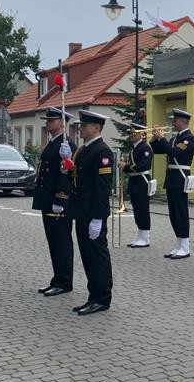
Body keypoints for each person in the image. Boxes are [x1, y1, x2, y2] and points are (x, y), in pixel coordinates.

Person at [69, 110, 114, 315]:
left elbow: (102, 188)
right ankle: (93, 295)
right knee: (87, 255)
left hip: (93, 212)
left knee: (97, 256)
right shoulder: (84, 150)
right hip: (82, 210)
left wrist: (98, 218)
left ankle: (102, 298)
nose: (80, 129)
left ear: (96, 128)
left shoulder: (102, 151)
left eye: (84, 126)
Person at [33, 107, 75, 297]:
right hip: (47, 200)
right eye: (47, 120)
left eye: (52, 120)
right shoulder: (54, 143)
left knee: (61, 242)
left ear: (62, 123)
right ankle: (58, 278)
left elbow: (66, 176)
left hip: (58, 202)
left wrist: (60, 198)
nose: (48, 123)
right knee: (54, 241)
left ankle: (64, 281)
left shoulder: (66, 146)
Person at [151, 108, 194, 260]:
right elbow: (158, 150)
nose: (173, 123)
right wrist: (155, 139)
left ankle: (185, 246)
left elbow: (175, 153)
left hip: (180, 179)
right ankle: (178, 244)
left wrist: (162, 138)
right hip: (172, 178)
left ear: (183, 122)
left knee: (181, 213)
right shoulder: (175, 138)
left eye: (175, 120)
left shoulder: (188, 139)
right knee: (173, 214)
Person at [122, 124, 154, 248]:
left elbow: (143, 165)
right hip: (135, 180)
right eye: (130, 133)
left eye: (134, 133)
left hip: (142, 180)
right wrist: (125, 166)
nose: (131, 135)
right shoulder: (134, 148)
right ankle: (140, 236)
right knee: (137, 210)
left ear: (141, 134)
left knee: (142, 209)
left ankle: (145, 237)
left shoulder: (145, 148)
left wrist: (125, 166)